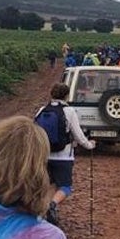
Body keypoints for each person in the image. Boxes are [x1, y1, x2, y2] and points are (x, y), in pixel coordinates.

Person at [38, 83, 95, 228]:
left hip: (44, 155)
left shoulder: (42, 110)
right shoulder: (69, 111)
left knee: (51, 184)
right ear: (66, 95)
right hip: (64, 156)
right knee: (65, 187)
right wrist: (90, 145)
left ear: (51, 94)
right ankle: (52, 205)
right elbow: (78, 135)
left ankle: (45, 212)